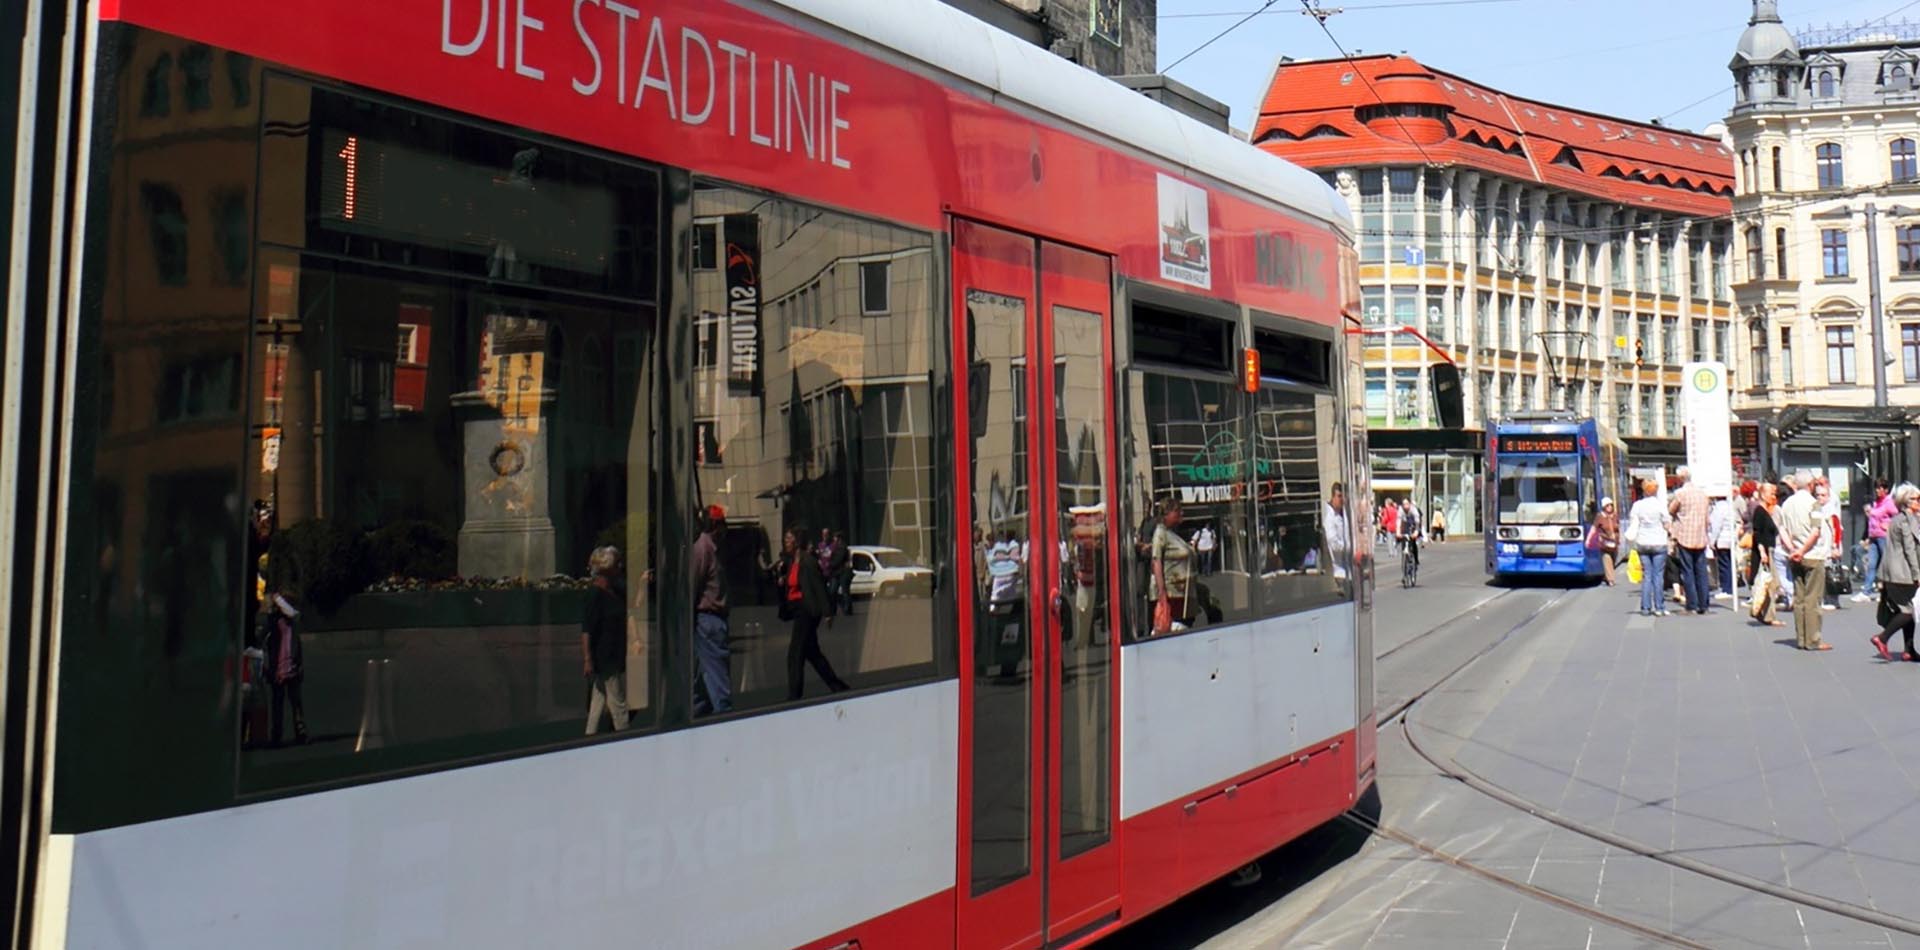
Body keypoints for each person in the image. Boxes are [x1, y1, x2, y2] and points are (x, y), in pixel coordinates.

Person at [774, 526, 849, 698]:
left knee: (795, 653)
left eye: (788, 539)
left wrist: (827, 612)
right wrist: (781, 580)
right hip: (797, 610)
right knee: (812, 653)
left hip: (806, 611)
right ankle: (837, 687)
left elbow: (818, 587)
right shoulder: (791, 562)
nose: (785, 542)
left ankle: (794, 695)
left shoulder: (808, 561)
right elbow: (792, 585)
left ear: (797, 541)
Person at [1778, 474, 1833, 651]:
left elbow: (1782, 529)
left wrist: (1793, 550)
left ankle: (1801, 638)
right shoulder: (1813, 504)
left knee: (1799, 598)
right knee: (1813, 599)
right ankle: (1813, 639)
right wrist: (1802, 550)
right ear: (1810, 485)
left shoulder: (1787, 504)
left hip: (1794, 555)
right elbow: (1816, 531)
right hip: (1813, 554)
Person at [689, 506, 733, 717]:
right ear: (715, 525)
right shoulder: (703, 549)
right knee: (718, 677)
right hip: (708, 620)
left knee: (706, 678)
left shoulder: (712, 548)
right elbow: (692, 585)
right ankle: (724, 718)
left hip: (713, 620)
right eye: (722, 523)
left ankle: (694, 714)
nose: (725, 529)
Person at [581, 545, 630, 734]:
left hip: (612, 653)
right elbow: (587, 629)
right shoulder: (595, 595)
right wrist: (588, 659)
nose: (621, 566)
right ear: (607, 568)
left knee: (599, 698)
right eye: (617, 563)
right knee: (618, 703)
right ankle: (624, 736)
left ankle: (590, 734)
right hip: (605, 656)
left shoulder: (614, 591)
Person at [1870, 483, 1920, 662]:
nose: (1918, 502)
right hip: (1902, 573)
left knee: (1909, 610)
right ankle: (1882, 638)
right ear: (1906, 501)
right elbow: (1910, 549)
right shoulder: (1906, 520)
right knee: (1907, 611)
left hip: (1893, 571)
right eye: (1915, 499)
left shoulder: (1899, 518)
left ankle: (1909, 649)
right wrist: (1917, 574)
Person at [260, 590, 307, 746]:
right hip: (277, 669)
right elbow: (261, 639)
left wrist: (277, 597)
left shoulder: (293, 619)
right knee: (277, 704)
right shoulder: (272, 621)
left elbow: (291, 612)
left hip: (292, 667)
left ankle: (301, 733)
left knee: (296, 703)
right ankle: (276, 735)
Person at [1667, 467, 1711, 616]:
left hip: (1685, 536)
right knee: (1701, 571)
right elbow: (1707, 517)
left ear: (1680, 479)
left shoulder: (1680, 494)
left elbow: (1671, 510)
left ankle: (1691, 604)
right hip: (1701, 536)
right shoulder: (1702, 494)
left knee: (1688, 571)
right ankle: (1704, 604)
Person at [1627, 477, 1673, 616]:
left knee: (1647, 575)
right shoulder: (1660, 505)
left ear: (1644, 490)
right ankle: (1659, 607)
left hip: (1643, 543)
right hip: (1658, 543)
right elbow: (1666, 523)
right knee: (1658, 576)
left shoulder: (1637, 505)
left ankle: (1645, 608)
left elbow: (1633, 522)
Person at [1151, 499, 1195, 635]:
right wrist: (1162, 593)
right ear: (1166, 514)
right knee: (1176, 630)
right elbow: (1156, 561)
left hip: (1183, 595)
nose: (1181, 513)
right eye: (1177, 511)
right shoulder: (1160, 533)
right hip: (1172, 596)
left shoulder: (1172, 534)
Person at [1749, 483, 1785, 627]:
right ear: (1763, 494)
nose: (1773, 496)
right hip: (1764, 551)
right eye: (1771, 493)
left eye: (1774, 493)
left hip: (1769, 549)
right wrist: (1762, 551)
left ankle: (1763, 612)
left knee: (1771, 583)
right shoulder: (1759, 511)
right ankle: (1768, 615)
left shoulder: (1767, 510)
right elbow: (1757, 533)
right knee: (1771, 583)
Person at [1859, 480, 1896, 603]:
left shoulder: (1888, 502)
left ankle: (1888, 591)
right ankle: (1867, 591)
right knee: (1871, 564)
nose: (1878, 490)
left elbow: (1897, 515)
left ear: (1886, 490)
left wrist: (1888, 524)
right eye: (1876, 488)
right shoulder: (1877, 503)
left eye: (1881, 488)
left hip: (1883, 536)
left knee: (1886, 564)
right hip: (1874, 536)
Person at [1709, 493, 1739, 601]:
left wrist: (1712, 540)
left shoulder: (1718, 508)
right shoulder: (1730, 506)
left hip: (1722, 538)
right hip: (1730, 538)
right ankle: (1729, 587)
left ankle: (1726, 589)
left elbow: (1716, 525)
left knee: (1723, 565)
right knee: (1729, 564)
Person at [1324, 483, 1351, 582]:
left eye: (1343, 496)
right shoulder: (1329, 518)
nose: (1341, 499)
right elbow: (1334, 544)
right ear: (1333, 497)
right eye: (1339, 496)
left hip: (1348, 567)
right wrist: (1350, 547)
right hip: (1339, 571)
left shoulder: (1344, 513)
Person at [1595, 498, 1622, 586]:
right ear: (1604, 507)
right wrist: (1600, 537)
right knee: (1607, 560)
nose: (1610, 507)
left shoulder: (1615, 516)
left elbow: (1618, 528)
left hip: (1614, 543)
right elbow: (1595, 528)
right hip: (1604, 543)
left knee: (1613, 560)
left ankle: (1607, 576)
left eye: (1611, 505)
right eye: (1607, 505)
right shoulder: (1600, 517)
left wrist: (1618, 538)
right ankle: (1611, 580)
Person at [829, 530, 853, 616]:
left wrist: (830, 563)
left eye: (835, 538)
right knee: (832, 591)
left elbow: (838, 560)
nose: (834, 540)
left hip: (843, 572)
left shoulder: (842, 548)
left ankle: (847, 609)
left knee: (845, 591)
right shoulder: (835, 548)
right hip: (836, 573)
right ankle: (834, 609)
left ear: (839, 539)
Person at [1398, 498, 1422, 570]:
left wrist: (1416, 532)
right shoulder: (1400, 510)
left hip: (1413, 524)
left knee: (1413, 541)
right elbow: (1398, 521)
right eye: (1404, 504)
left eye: (1407, 504)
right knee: (1404, 539)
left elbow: (1417, 522)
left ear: (1410, 504)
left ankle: (1416, 559)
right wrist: (1398, 532)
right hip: (1405, 524)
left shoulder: (1413, 510)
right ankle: (1404, 558)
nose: (1405, 506)